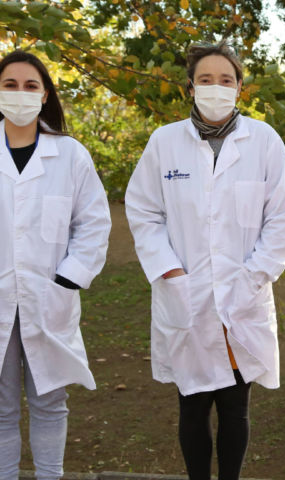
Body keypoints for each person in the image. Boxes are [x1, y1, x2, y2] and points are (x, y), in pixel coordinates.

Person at [125, 43, 285, 480]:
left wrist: (254, 274)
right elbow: (143, 210)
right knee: (193, 402)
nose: (216, 88)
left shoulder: (263, 141)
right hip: (187, 292)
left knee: (235, 405)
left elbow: (283, 216)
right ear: (190, 87)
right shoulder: (165, 143)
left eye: (226, 80)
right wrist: (168, 268)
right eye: (206, 80)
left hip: (243, 293)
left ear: (240, 87)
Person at [0, 51, 111, 480]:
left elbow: (94, 224)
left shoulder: (70, 155)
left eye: (31, 86)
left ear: (45, 95)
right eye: (10, 85)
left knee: (49, 401)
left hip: (50, 296)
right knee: (2, 407)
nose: (20, 94)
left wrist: (69, 279)